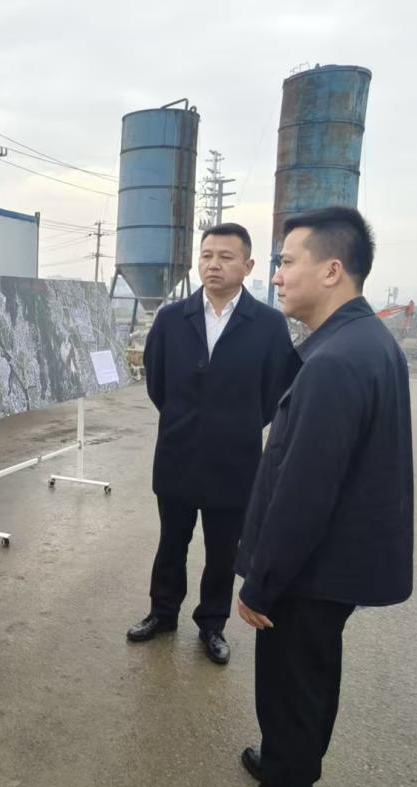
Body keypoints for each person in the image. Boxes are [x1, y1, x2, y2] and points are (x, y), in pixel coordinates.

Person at [186, 207, 413, 787]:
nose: (278, 276)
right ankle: (293, 771)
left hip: (312, 570)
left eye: (287, 261)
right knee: (310, 680)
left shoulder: (336, 361)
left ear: (332, 270)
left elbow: (305, 489)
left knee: (290, 692)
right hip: (332, 565)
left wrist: (262, 582)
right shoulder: (361, 342)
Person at [127, 223, 297, 665]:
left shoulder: (268, 325)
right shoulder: (171, 319)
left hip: (235, 461)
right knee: (171, 543)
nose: (213, 265)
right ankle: (162, 613)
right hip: (177, 455)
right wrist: (185, 419)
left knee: (223, 551)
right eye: (206, 256)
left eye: (225, 256)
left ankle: (212, 624)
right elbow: (157, 383)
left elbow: (275, 391)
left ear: (248, 265)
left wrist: (238, 424)